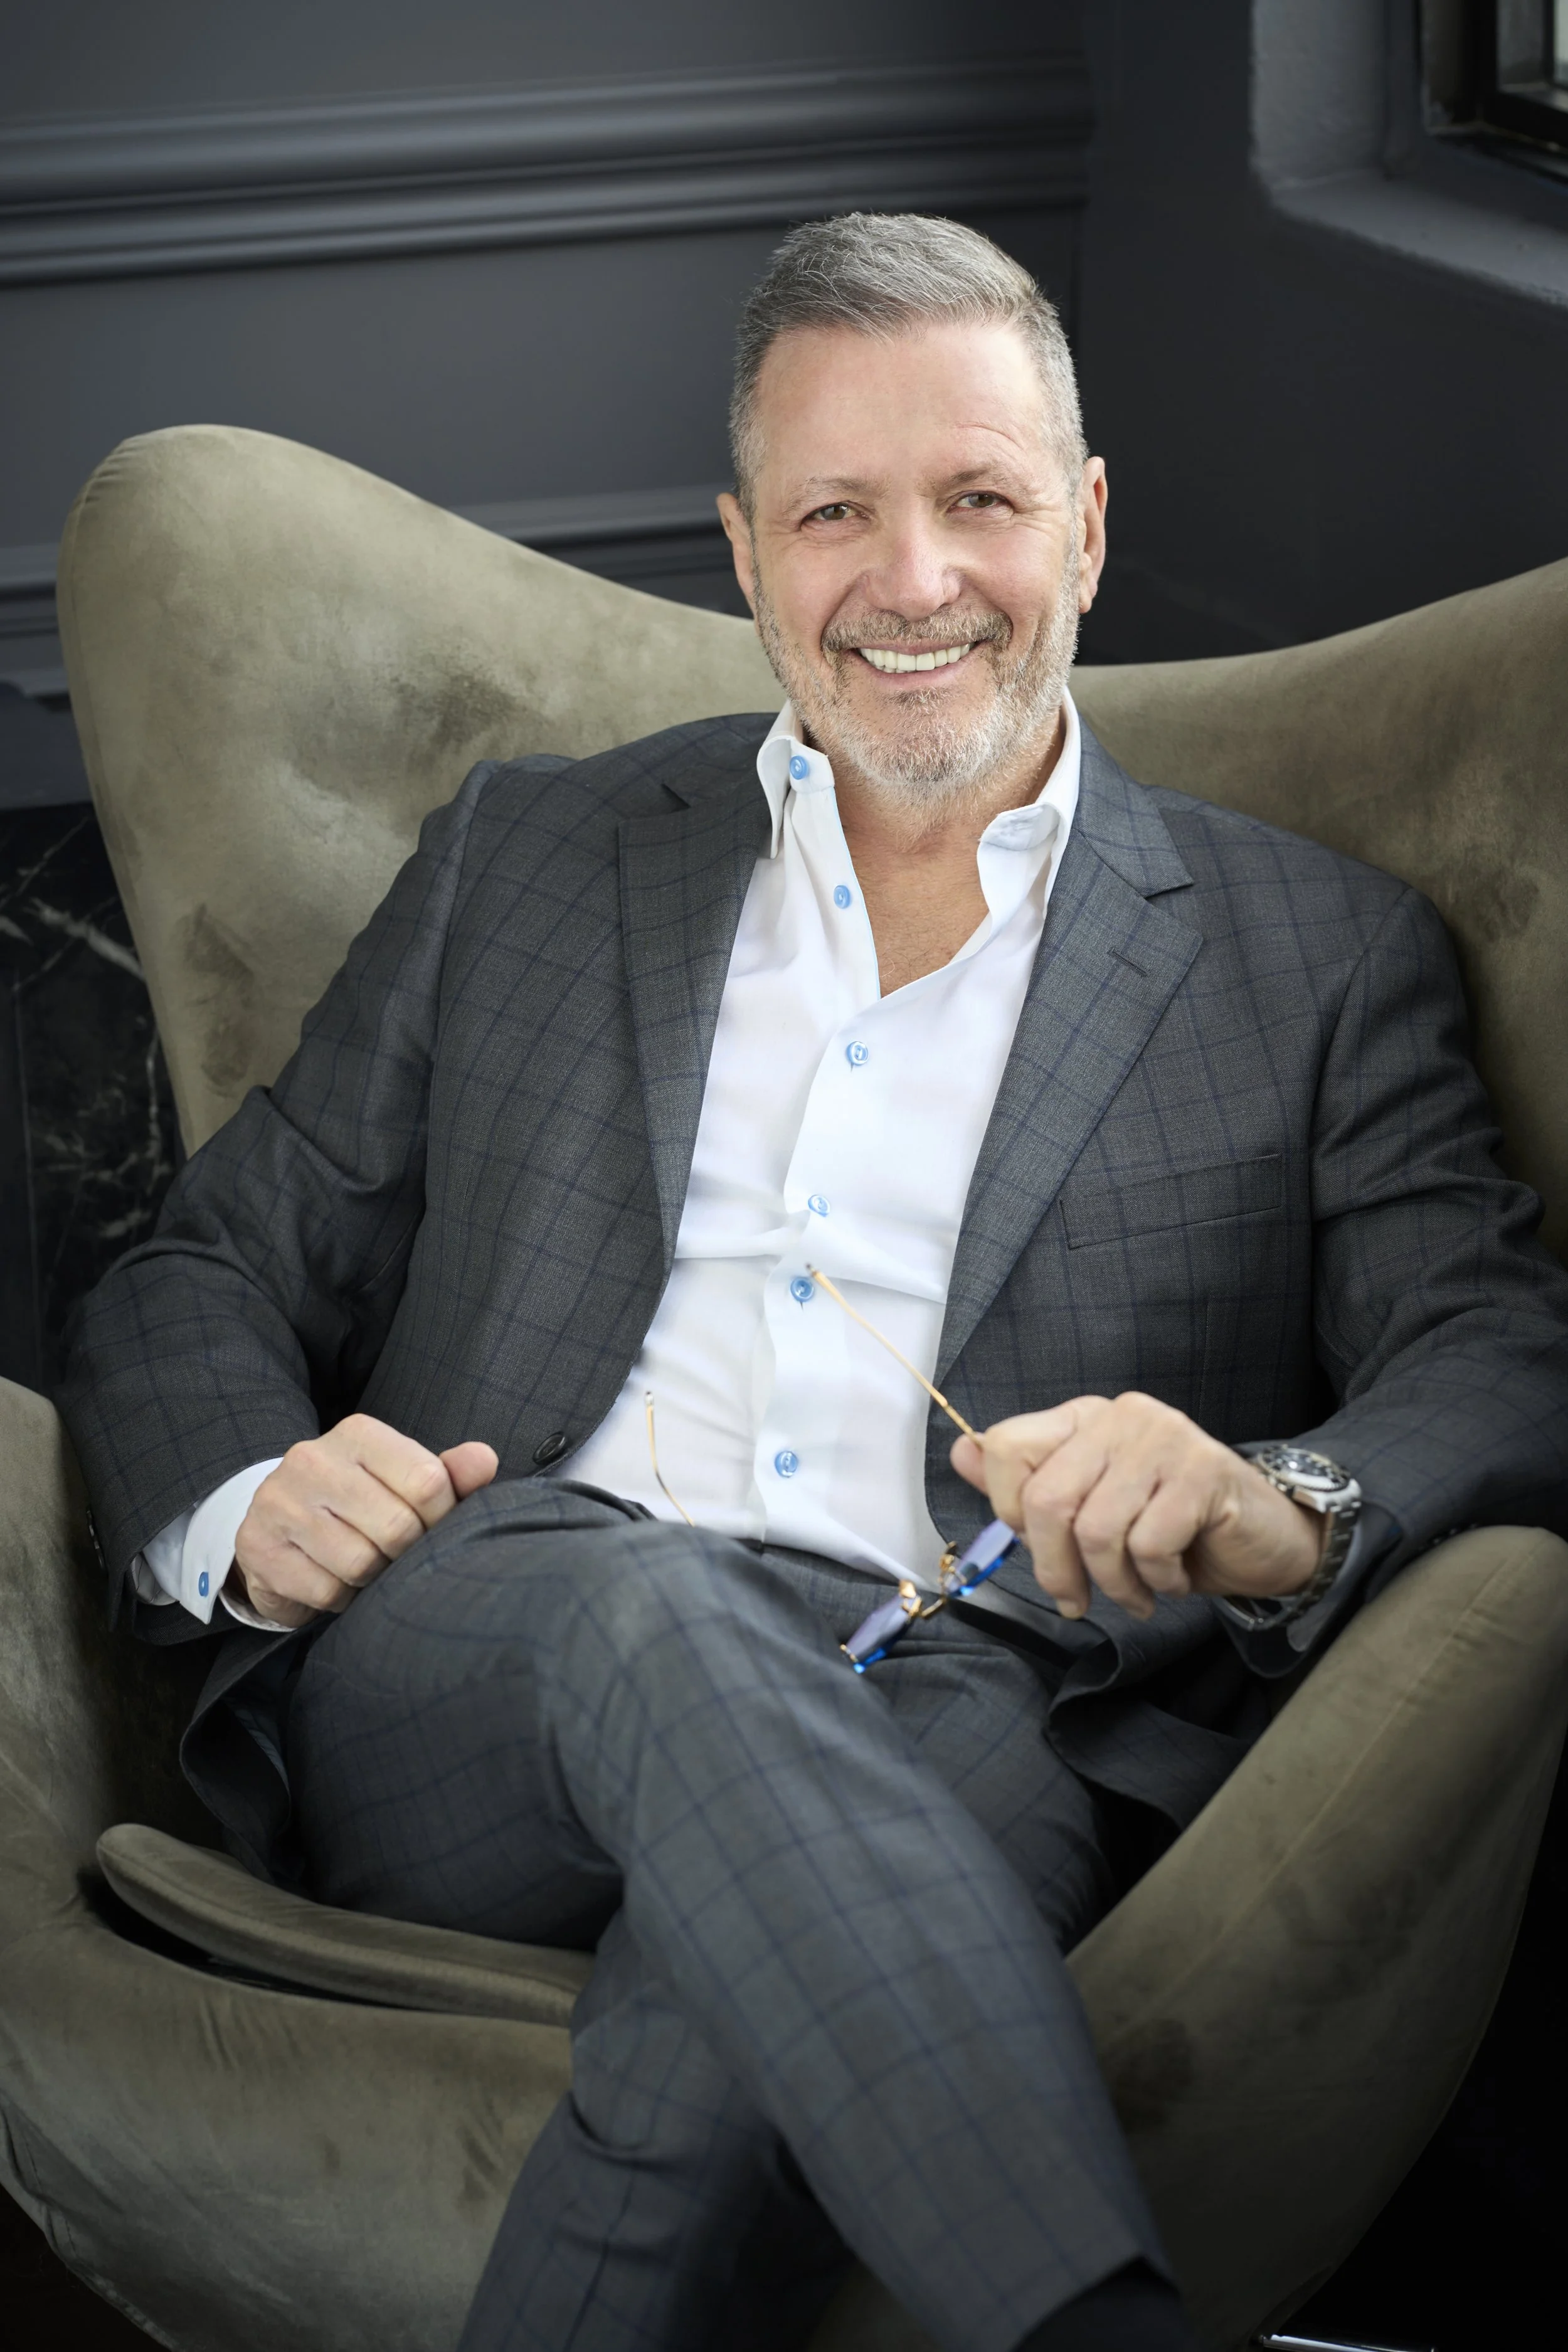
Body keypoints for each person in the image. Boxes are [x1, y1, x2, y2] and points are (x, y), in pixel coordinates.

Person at [61, 213, 1568, 2352]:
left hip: (987, 1681)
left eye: (979, 501)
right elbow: (198, 1268)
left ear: (1090, 524)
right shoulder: (531, 853)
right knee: (656, 1601)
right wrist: (244, 1499)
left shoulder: (1313, 955)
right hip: (494, 1664)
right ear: (745, 551)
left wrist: (1280, 1496)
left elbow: (1501, 1349)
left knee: (721, 2014)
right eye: (836, 512)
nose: (915, 580)